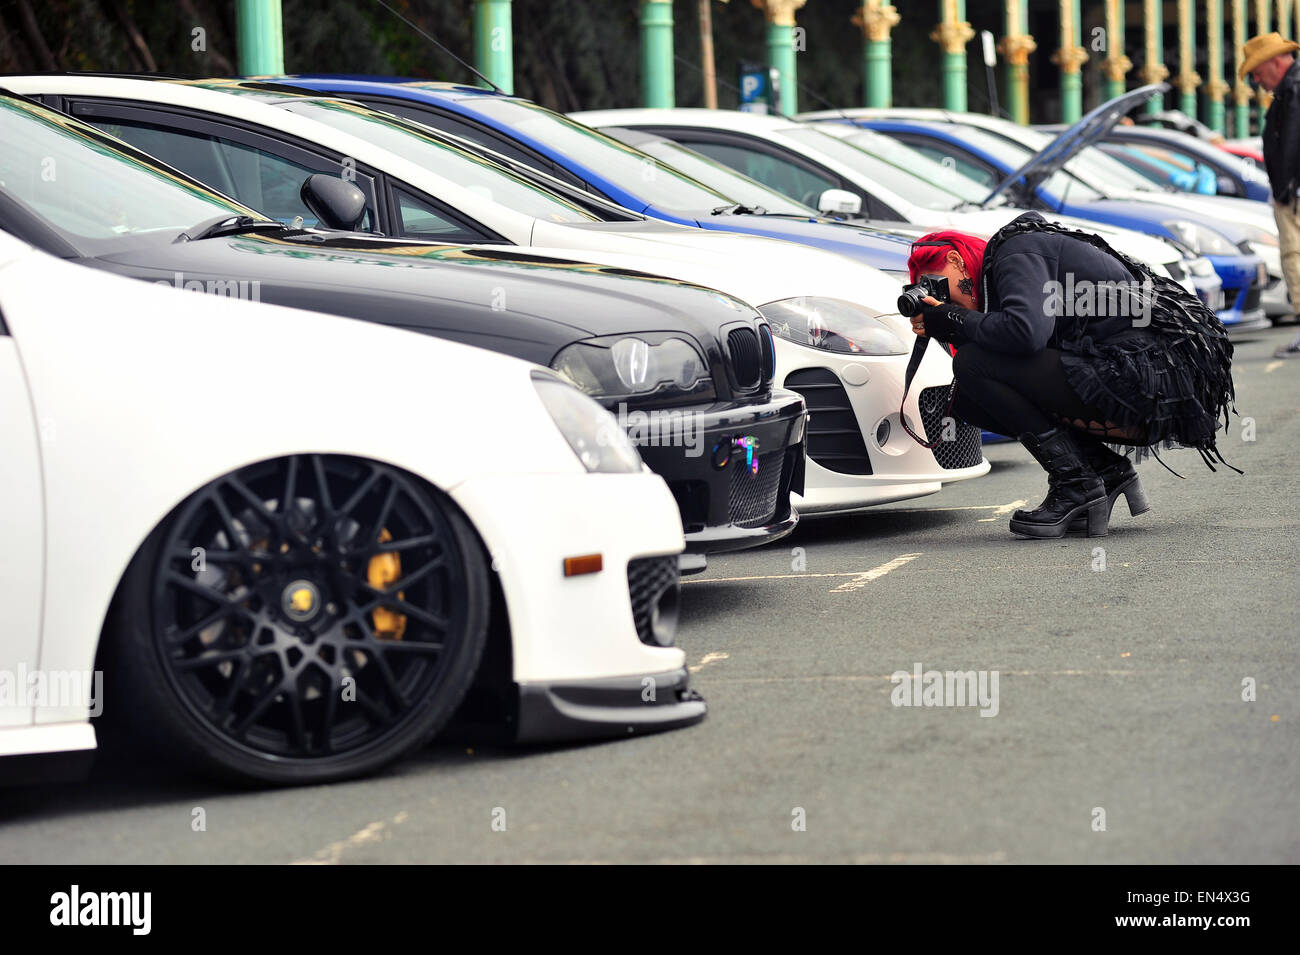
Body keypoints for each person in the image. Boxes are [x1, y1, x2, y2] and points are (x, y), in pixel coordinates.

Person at [906, 212, 1236, 540]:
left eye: (938, 284)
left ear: (956, 260)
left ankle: (1078, 485)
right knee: (966, 397)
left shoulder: (1015, 253)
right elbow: (1018, 353)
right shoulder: (1014, 262)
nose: (942, 296)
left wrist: (950, 316)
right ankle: (1102, 471)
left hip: (1144, 382)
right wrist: (944, 324)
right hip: (1142, 381)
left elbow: (1024, 334)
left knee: (972, 365)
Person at [1242, 31, 1300, 358]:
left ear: (1275, 63)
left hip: (1294, 194)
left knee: (1294, 256)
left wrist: (1283, 188)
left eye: (1258, 73)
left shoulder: (1293, 88)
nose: (1257, 81)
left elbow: (1291, 140)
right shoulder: (1292, 86)